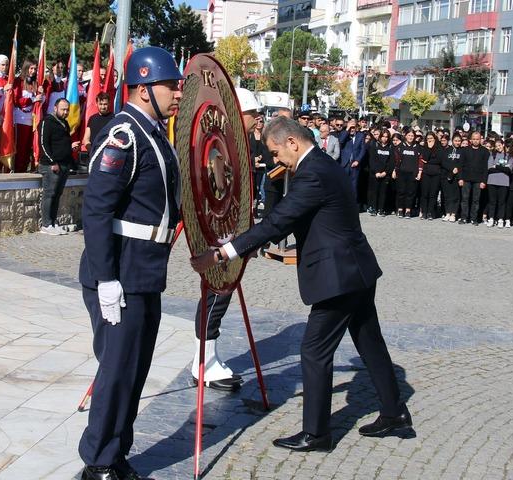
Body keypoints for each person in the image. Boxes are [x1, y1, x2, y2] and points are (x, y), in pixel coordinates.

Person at [190, 116, 412, 452]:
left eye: (276, 152)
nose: (276, 160)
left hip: (340, 278)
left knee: (313, 350)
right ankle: (395, 413)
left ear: (292, 142)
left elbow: (279, 221)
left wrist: (225, 252)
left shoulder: (313, 173)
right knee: (370, 343)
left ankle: (317, 433)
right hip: (358, 271)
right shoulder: (322, 163)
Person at [77, 46, 183, 480]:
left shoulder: (153, 131)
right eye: (169, 85)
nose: (177, 93)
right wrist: (106, 279)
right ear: (142, 88)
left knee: (134, 370)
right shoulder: (125, 134)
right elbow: (97, 209)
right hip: (120, 271)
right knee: (117, 371)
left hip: (145, 271)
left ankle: (117, 451)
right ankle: (98, 460)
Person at [189, 87, 262, 392]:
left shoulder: (237, 142)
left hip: (233, 227)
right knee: (217, 292)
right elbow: (218, 187)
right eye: (252, 115)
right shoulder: (223, 143)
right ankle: (202, 362)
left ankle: (208, 358)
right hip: (220, 229)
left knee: (223, 292)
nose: (257, 120)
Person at [38, 98, 79, 235]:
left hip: (64, 165)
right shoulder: (47, 122)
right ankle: (46, 224)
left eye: (67, 109)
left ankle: (53, 222)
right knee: (49, 194)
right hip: (51, 166)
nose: (66, 112)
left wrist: (70, 148)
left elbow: (62, 142)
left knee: (57, 195)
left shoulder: (65, 123)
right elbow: (43, 144)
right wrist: (52, 162)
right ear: (55, 108)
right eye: (63, 109)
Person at [12, 59, 44, 173]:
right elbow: (17, 100)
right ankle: (17, 170)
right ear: (26, 68)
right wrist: (33, 99)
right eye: (31, 68)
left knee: (29, 147)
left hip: (33, 119)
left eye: (35, 69)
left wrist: (41, 94)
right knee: (20, 147)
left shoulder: (36, 83)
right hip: (20, 119)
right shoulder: (18, 81)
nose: (33, 71)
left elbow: (40, 102)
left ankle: (27, 169)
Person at [458, 132, 490, 225]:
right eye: (474, 139)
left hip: (478, 180)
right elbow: (460, 165)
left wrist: (484, 181)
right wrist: (460, 178)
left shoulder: (485, 151)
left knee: (476, 200)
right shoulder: (465, 150)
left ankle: (474, 218)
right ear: (470, 140)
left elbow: (485, 168)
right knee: (465, 199)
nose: (476, 141)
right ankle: (464, 217)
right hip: (466, 178)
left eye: (477, 139)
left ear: (480, 139)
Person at [392, 129, 422, 218]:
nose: (410, 137)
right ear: (405, 136)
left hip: (413, 173)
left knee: (410, 192)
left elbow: (420, 160)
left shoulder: (417, 146)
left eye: (412, 136)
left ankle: (408, 210)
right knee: (401, 191)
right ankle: (400, 209)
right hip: (401, 172)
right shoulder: (400, 146)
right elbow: (396, 160)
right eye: (409, 135)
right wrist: (395, 170)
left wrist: (419, 172)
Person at [485, 138, 512, 228]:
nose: (498, 147)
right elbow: (489, 169)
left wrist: (496, 166)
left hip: (504, 182)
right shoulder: (492, 155)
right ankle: (491, 218)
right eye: (496, 146)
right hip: (492, 181)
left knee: (502, 202)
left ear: (503, 145)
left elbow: (509, 170)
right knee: (492, 201)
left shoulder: (509, 156)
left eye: (499, 145)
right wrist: (502, 168)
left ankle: (500, 219)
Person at [367, 129, 393, 216]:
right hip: (375, 173)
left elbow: (391, 162)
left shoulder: (390, 147)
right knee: (375, 192)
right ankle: (373, 208)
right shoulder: (375, 145)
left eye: (386, 137)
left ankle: (381, 209)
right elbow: (372, 160)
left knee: (383, 192)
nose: (385, 138)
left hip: (385, 174)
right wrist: (377, 172)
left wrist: (385, 172)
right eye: (383, 136)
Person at [418, 132, 443, 220]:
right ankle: (424, 211)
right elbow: (424, 158)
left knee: (433, 193)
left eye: (431, 138)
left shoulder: (439, 147)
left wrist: (429, 161)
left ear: (435, 138)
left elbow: (439, 160)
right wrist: (429, 148)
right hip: (426, 172)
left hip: (436, 173)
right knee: (424, 193)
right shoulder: (424, 147)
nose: (430, 140)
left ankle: (430, 212)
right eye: (428, 138)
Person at [440, 133, 460, 222]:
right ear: (452, 141)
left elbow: (463, 163)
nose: (457, 142)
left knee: (455, 196)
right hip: (446, 176)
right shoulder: (447, 150)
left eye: (459, 141)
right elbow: (443, 162)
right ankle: (447, 213)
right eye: (456, 141)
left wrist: (457, 169)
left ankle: (453, 214)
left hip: (457, 177)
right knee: (447, 196)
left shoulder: (462, 151)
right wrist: (452, 169)